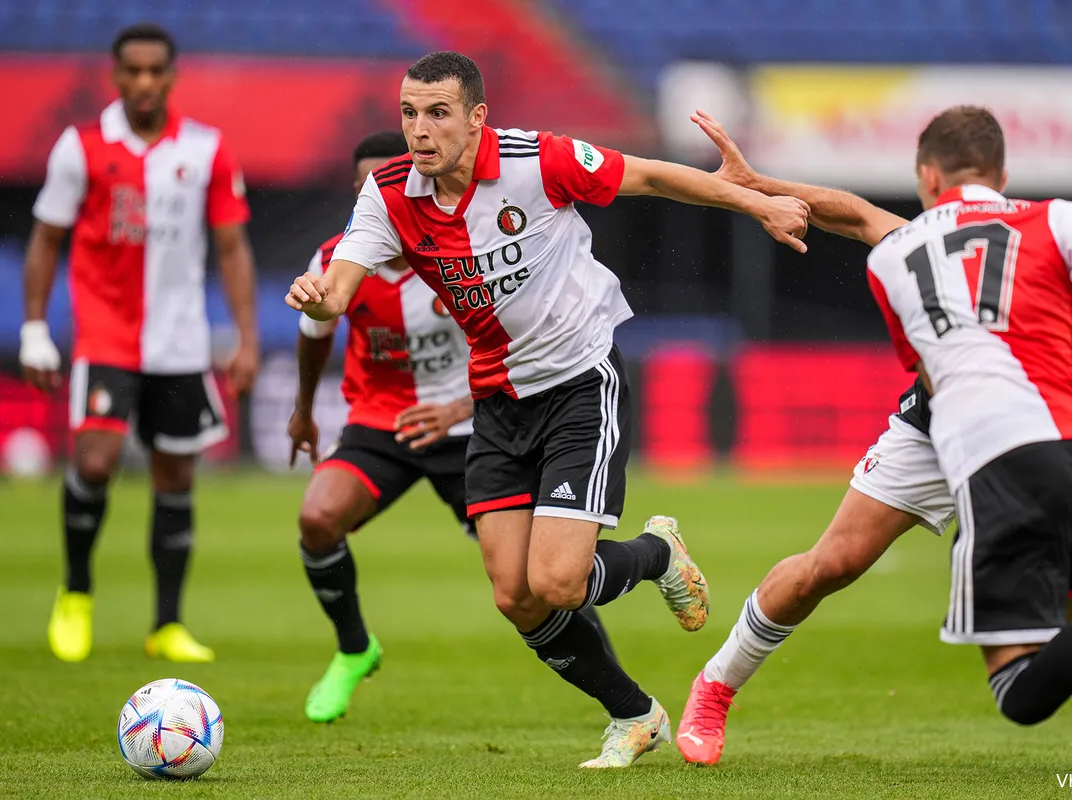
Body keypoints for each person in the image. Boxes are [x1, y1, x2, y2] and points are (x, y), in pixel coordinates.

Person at [285, 51, 810, 767]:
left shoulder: (538, 160)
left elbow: (651, 177)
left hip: (578, 382)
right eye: (408, 113)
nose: (419, 129)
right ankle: (636, 714)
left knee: (558, 582)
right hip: (498, 400)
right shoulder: (388, 193)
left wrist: (755, 202)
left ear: (477, 117)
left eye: (438, 113)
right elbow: (340, 289)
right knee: (516, 596)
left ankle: (657, 553)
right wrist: (318, 297)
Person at [679, 105, 1072, 793]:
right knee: (830, 565)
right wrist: (759, 184)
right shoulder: (985, 241)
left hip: (1045, 433)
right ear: (1001, 178)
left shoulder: (1065, 313)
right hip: (939, 427)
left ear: (928, 177)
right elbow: (858, 216)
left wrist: (1053, 494)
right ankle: (716, 686)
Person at [289, 131, 616, 723]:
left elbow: (517, 344)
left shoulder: (458, 249)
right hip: (380, 425)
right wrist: (303, 410)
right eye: (367, 187)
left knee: (539, 574)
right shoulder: (336, 263)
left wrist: (458, 408)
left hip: (473, 425)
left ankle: (610, 684)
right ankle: (354, 649)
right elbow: (314, 334)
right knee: (317, 518)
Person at [20, 23, 259, 664]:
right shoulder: (81, 147)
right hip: (106, 336)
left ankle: (167, 624)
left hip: (181, 342)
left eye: (157, 71)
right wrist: (35, 328)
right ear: (116, 75)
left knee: (175, 476)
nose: (145, 82)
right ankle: (76, 593)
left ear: (172, 76)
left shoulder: (206, 149)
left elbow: (232, 247)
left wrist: (245, 337)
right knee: (96, 462)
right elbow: (46, 239)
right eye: (134, 71)